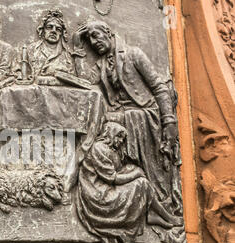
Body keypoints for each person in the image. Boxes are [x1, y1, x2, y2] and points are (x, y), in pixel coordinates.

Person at [72, 19, 181, 214]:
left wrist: (169, 120)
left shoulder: (133, 54)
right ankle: (100, 185)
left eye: (96, 35)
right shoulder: (102, 64)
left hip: (145, 116)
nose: (94, 42)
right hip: (120, 115)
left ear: (108, 33)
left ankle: (155, 200)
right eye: (89, 40)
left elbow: (159, 88)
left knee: (105, 124)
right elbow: (85, 83)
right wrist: (76, 48)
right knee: (92, 122)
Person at [76, 122, 182, 243]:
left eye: (122, 138)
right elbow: (112, 178)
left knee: (141, 181)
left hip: (106, 188)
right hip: (98, 196)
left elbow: (119, 170)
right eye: (119, 137)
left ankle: (155, 214)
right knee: (141, 183)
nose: (121, 141)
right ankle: (164, 216)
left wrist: (132, 170)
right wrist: (136, 174)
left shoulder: (112, 150)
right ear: (110, 134)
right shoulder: (99, 148)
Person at [16, 9, 75, 83]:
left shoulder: (67, 55)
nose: (54, 31)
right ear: (43, 30)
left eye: (58, 29)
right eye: (49, 27)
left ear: (61, 34)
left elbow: (74, 79)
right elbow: (18, 74)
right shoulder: (30, 49)